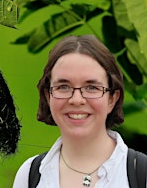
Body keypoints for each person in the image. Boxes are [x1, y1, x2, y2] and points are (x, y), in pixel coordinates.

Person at [13, 35, 137, 187]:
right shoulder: (29, 175)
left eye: (91, 87)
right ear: (48, 95)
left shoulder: (140, 175)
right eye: (63, 87)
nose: (76, 100)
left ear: (112, 98)